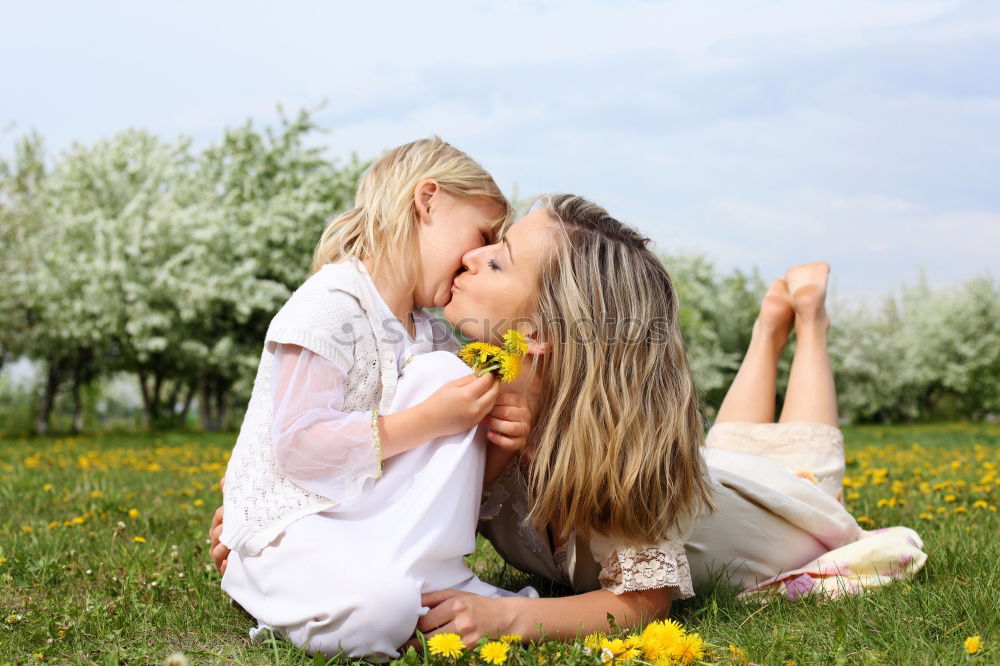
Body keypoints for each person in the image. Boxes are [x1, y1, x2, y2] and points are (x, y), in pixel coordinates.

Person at [212, 194, 926, 650]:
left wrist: (512, 619)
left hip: (764, 523)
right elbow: (377, 484)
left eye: (498, 260)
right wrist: (275, 525)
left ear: (543, 333)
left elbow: (645, 602)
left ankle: (807, 322)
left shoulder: (620, 463)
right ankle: (769, 331)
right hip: (717, 473)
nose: (469, 256)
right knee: (737, 446)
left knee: (801, 467)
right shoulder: (458, 398)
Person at [217, 137, 538, 659]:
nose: (476, 256)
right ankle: (268, 587)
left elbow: (444, 483)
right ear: (427, 200)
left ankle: (417, 589)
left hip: (371, 533)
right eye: (480, 234)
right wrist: (432, 419)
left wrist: (500, 442)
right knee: (382, 609)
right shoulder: (330, 306)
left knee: (395, 604)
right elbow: (299, 448)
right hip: (299, 526)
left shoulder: (431, 337)